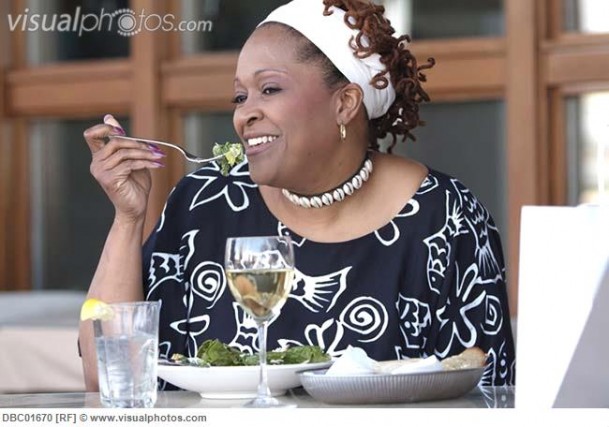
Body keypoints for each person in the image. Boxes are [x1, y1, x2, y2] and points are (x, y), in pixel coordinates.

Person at [80, 0, 515, 390]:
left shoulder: (445, 216)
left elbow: (490, 394)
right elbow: (107, 377)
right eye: (239, 96)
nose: (245, 113)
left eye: (270, 89)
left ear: (345, 103)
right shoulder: (206, 199)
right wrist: (127, 219)